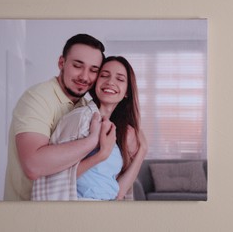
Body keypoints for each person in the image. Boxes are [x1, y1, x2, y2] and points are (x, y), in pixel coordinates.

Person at [4, 33, 115, 200]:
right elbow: (33, 166)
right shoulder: (37, 98)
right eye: (78, 66)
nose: (85, 77)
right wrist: (92, 141)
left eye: (93, 70)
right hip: (25, 214)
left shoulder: (86, 107)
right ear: (61, 63)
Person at [32, 56, 148, 201]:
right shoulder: (81, 118)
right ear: (95, 83)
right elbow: (56, 178)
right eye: (104, 75)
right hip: (79, 211)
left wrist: (142, 151)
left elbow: (118, 193)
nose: (110, 82)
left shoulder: (116, 132)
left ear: (126, 92)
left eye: (120, 79)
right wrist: (101, 154)